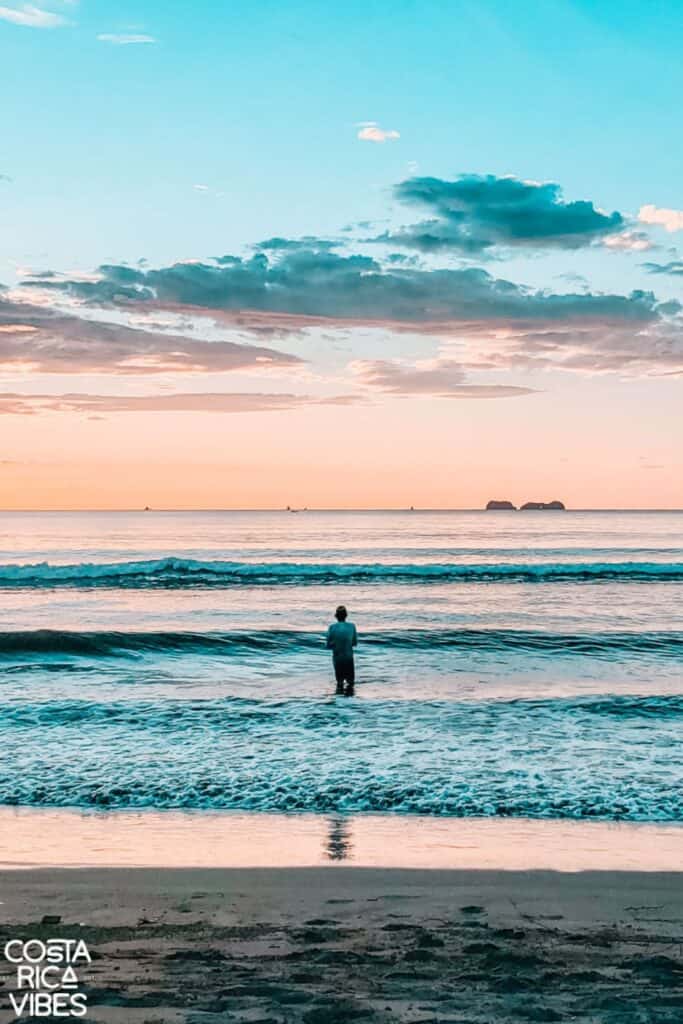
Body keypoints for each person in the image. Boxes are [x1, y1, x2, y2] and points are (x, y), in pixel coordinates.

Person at [326, 605, 357, 695]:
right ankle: (350, 705)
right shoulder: (352, 626)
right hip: (349, 657)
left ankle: (339, 706)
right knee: (351, 683)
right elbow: (354, 643)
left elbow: (328, 645)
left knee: (339, 684)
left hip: (338, 657)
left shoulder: (332, 627)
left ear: (336, 616)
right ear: (346, 615)